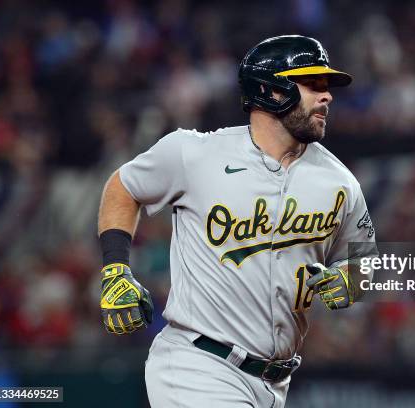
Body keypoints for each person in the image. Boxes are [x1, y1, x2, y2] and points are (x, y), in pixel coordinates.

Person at [97, 35, 377, 407]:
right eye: (312, 84)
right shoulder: (195, 153)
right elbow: (123, 186)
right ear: (269, 89)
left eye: (326, 87)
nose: (326, 96)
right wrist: (116, 270)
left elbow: (365, 260)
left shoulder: (339, 181)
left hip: (276, 384)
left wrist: (352, 281)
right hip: (197, 365)